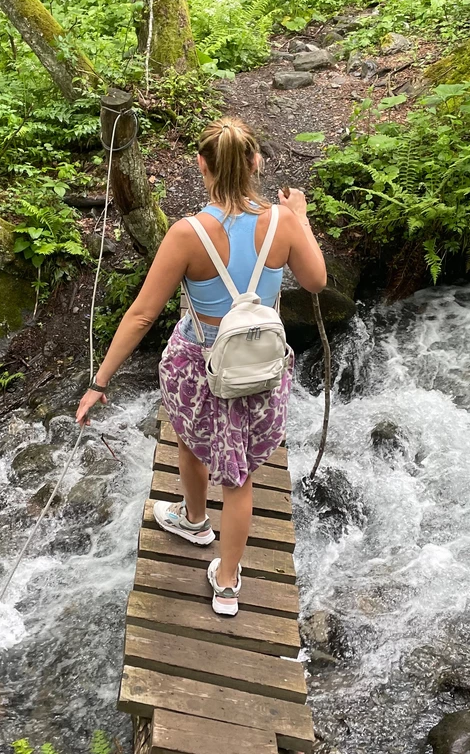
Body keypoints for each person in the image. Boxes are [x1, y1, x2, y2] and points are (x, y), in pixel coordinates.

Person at [75, 117, 327, 616]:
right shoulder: (283, 222)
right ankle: (228, 581)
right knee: (241, 479)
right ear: (257, 163)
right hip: (260, 367)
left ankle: (194, 519)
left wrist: (99, 382)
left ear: (201, 165)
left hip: (200, 362)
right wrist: (300, 215)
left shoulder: (187, 235)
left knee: (190, 441)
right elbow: (317, 283)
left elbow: (143, 314)